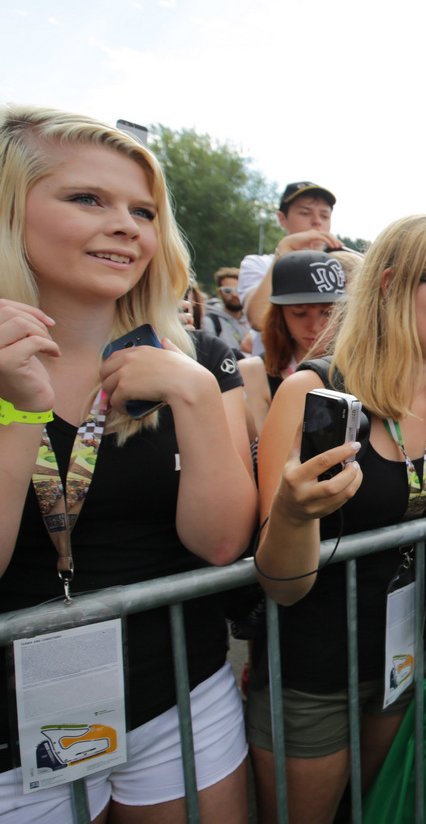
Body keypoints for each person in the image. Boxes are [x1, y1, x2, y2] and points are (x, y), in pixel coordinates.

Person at [0, 105, 257, 822]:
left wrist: (200, 398)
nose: (127, 226)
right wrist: (16, 408)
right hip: (13, 725)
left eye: (144, 210)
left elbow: (224, 544)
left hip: (179, 685)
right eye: (87, 198)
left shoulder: (199, 357)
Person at [248, 214, 426, 824]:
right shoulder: (311, 391)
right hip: (315, 670)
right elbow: (280, 583)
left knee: (386, 812)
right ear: (390, 284)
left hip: (410, 654)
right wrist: (291, 514)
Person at [237, 251, 348, 442]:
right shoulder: (253, 372)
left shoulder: (362, 371)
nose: (314, 326)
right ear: (279, 315)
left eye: (327, 313)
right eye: (299, 313)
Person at [239, 182, 344, 352]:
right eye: (305, 213)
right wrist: (286, 250)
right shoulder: (258, 264)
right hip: (273, 374)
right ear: (282, 218)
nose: (316, 222)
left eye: (324, 216)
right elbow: (259, 320)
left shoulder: (340, 267)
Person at [203, 266, 252, 355]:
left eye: (238, 290)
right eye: (227, 290)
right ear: (220, 292)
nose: (234, 294)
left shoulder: (253, 318)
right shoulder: (211, 320)